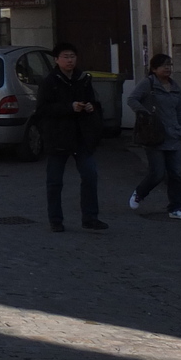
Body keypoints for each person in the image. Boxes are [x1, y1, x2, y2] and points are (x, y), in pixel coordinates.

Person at [38, 40, 106, 232]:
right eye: (66, 57)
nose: (70, 60)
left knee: (90, 175)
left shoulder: (83, 78)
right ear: (57, 60)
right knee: (54, 182)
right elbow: (42, 109)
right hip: (58, 137)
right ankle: (56, 220)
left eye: (72, 56)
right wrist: (69, 107)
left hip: (81, 136)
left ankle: (90, 218)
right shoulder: (49, 81)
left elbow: (93, 100)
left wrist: (91, 106)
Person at [127, 53, 181, 220]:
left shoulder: (175, 88)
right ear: (154, 69)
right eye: (164, 65)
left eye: (169, 65)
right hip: (154, 135)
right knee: (157, 173)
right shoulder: (148, 84)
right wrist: (145, 114)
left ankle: (176, 208)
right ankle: (139, 193)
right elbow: (132, 99)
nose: (167, 68)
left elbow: (179, 112)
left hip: (174, 135)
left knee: (176, 174)